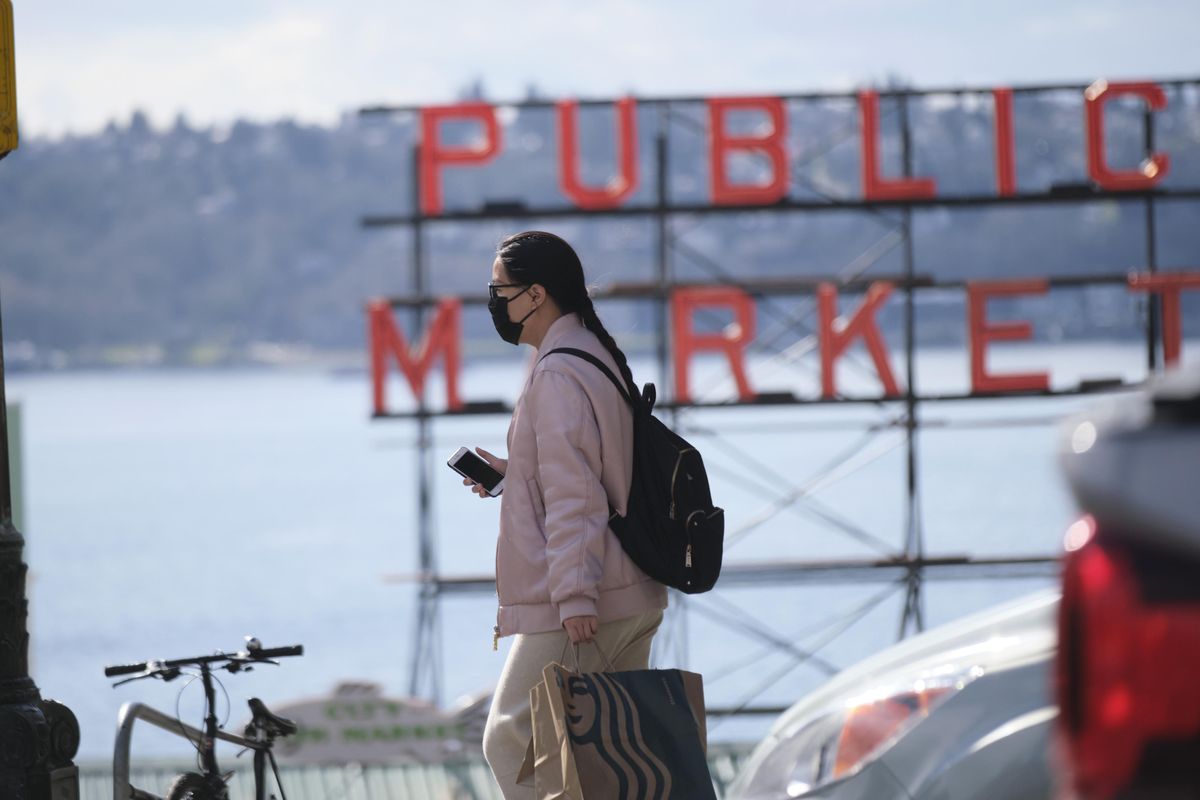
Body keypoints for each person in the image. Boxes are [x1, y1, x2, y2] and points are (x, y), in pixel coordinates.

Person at [466, 230, 667, 798]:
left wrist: (576, 594)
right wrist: (517, 474)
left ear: (535, 295)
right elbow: (590, 470)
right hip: (630, 587)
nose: (494, 301)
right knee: (606, 755)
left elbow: (577, 495)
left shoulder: (556, 371)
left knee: (510, 737)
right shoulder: (591, 353)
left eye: (498, 288)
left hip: (586, 598)